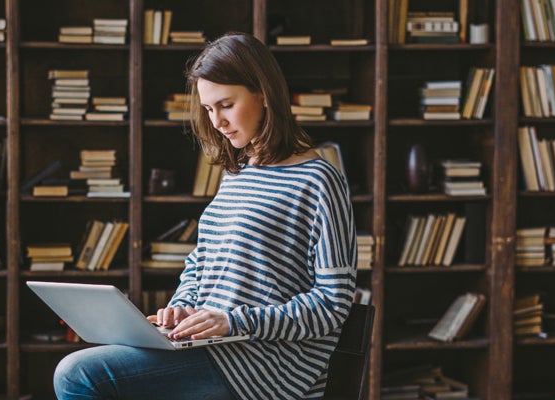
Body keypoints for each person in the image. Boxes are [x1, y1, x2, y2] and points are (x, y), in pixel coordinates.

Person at [53, 31, 358, 400]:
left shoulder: (319, 179)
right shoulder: (238, 173)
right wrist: (183, 305)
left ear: (264, 94)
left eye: (226, 105)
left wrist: (233, 321)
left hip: (262, 366)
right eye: (209, 109)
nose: (217, 122)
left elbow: (333, 303)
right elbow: (203, 262)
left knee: (76, 376)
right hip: (211, 348)